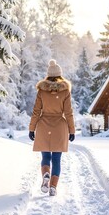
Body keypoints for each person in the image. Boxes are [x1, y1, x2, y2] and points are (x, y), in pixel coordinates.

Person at [29, 59, 75, 196]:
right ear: (60, 75)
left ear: (48, 75)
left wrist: (32, 128)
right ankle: (53, 186)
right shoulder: (65, 91)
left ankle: (46, 175)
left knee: (45, 156)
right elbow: (68, 113)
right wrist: (72, 130)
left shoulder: (42, 91)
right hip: (59, 127)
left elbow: (36, 111)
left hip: (43, 126)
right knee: (56, 159)